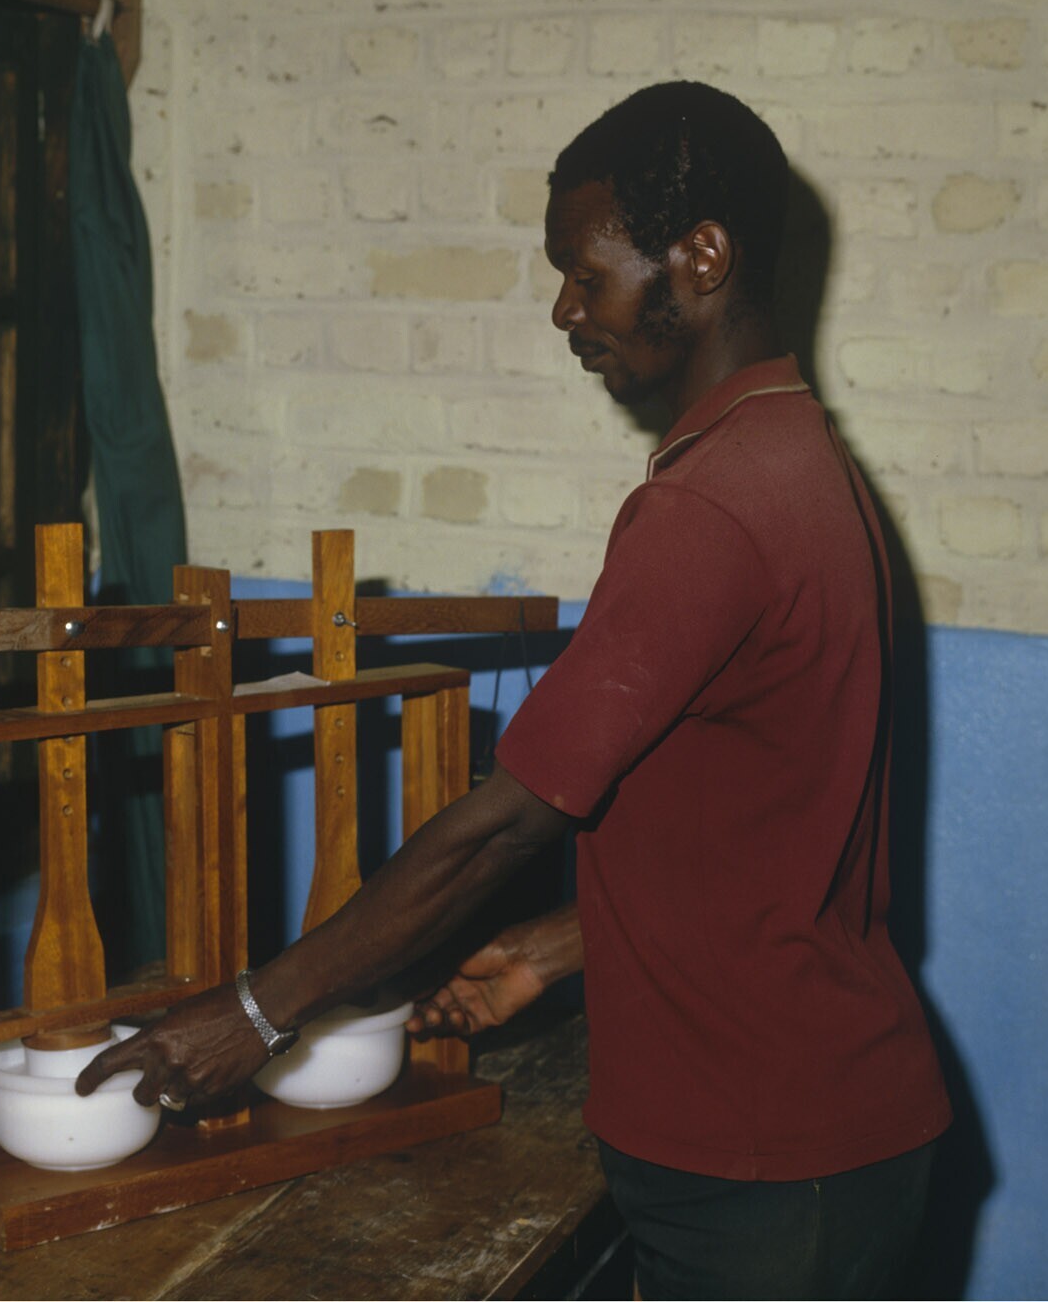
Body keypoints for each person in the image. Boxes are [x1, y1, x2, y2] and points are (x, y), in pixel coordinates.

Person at [78, 81, 951, 1299]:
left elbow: (504, 826)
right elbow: (767, 826)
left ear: (701, 258)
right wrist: (565, 945)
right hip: (822, 1130)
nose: (565, 311)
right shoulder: (796, 459)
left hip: (763, 1163)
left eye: (587, 276)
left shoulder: (710, 507)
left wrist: (258, 1012)